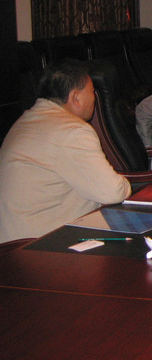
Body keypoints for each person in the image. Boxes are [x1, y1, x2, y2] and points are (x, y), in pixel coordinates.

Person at [0, 59, 131, 243]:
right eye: (92, 91)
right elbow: (114, 192)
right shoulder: (71, 131)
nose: (94, 97)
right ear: (76, 97)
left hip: (12, 245)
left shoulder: (25, 121)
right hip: (43, 246)